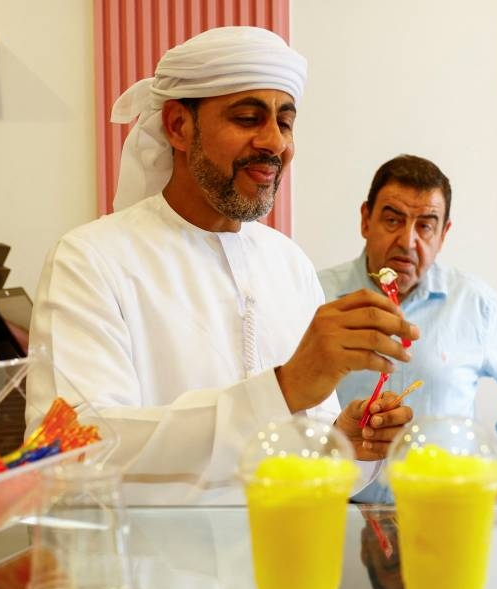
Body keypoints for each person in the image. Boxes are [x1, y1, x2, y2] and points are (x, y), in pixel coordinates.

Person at [27, 27, 419, 505]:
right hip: (148, 556)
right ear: (178, 126)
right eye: (248, 117)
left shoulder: (289, 264)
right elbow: (72, 454)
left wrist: (341, 445)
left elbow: (298, 466)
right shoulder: (91, 261)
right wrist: (281, 390)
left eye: (285, 122)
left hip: (285, 550)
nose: (274, 142)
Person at [318, 155, 497, 502]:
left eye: (425, 226)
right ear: (365, 220)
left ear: (443, 235)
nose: (407, 241)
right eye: (393, 220)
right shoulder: (315, 296)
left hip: (444, 510)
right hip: (338, 508)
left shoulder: (474, 304)